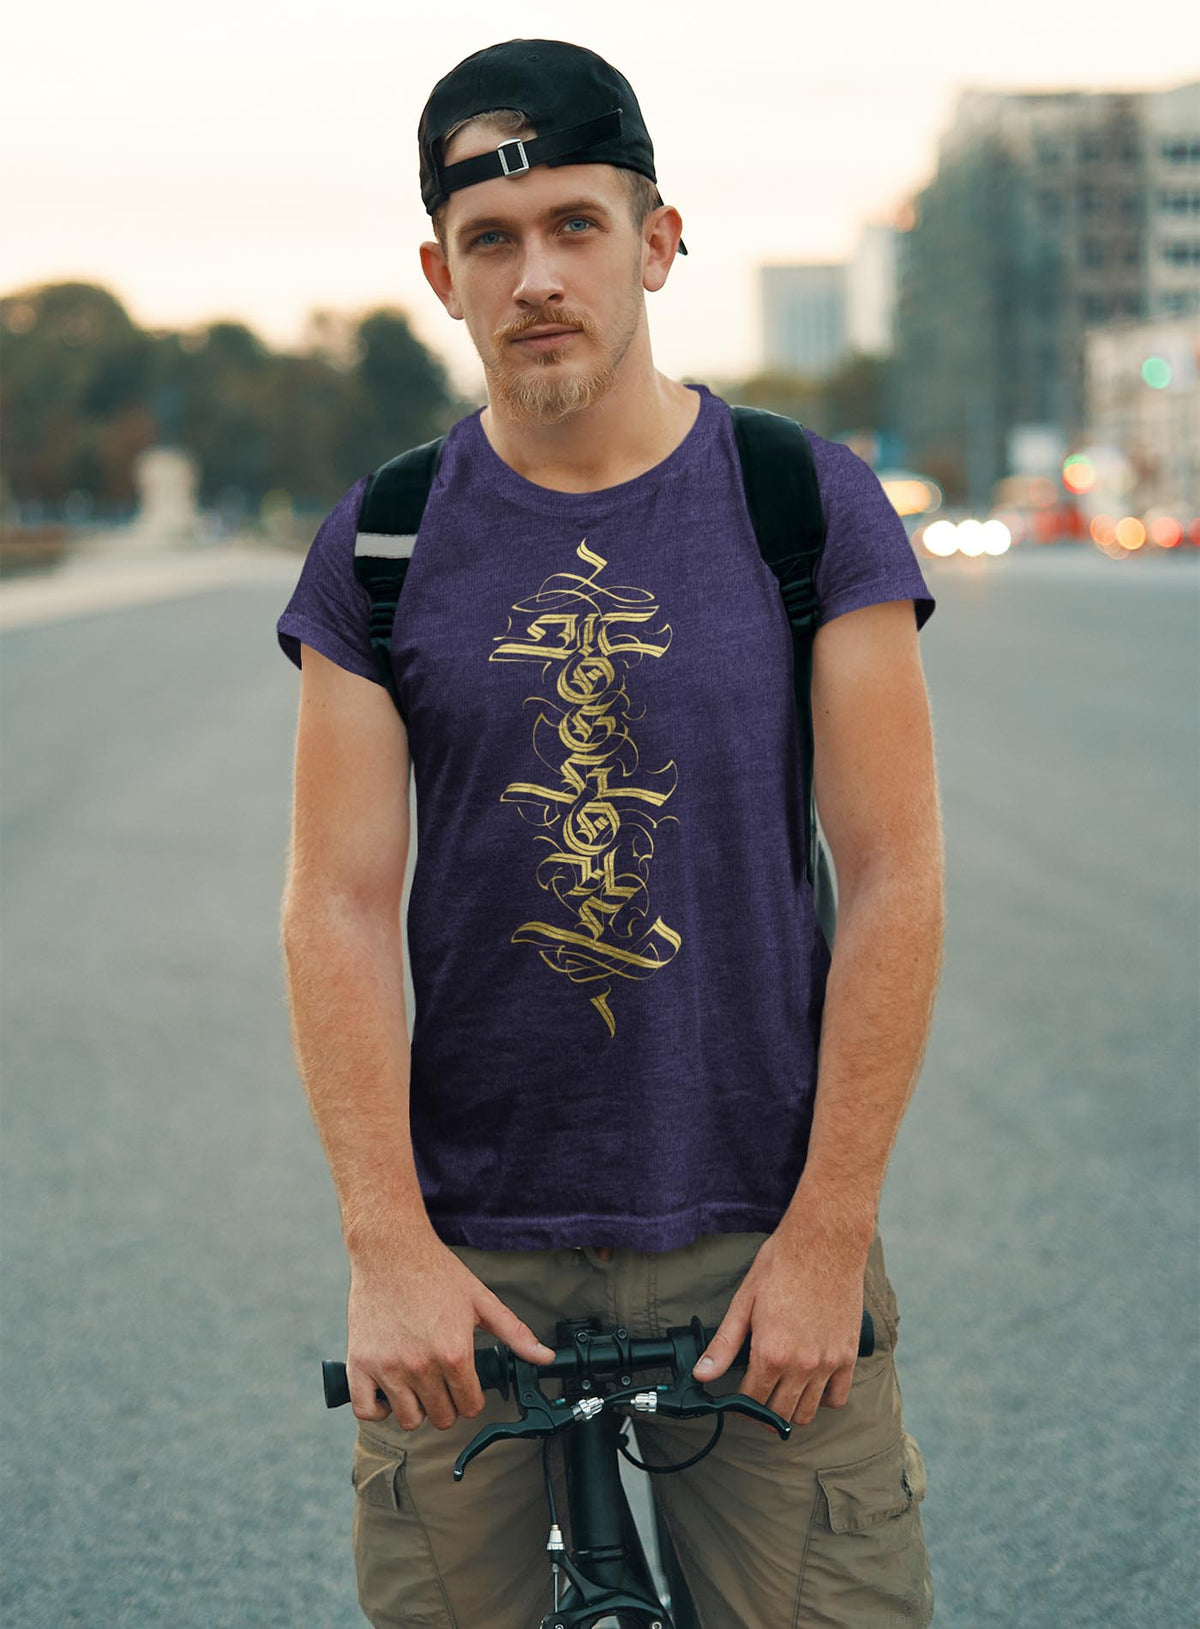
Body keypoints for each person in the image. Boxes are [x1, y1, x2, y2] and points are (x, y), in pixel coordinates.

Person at [277, 37, 943, 1629]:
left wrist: (828, 1236)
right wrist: (387, 1248)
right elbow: (337, 904)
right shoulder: (384, 542)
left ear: (657, 241)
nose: (537, 277)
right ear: (441, 274)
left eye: (576, 224)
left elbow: (897, 877)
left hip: (754, 1237)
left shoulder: (801, 502)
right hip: (466, 1255)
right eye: (492, 240)